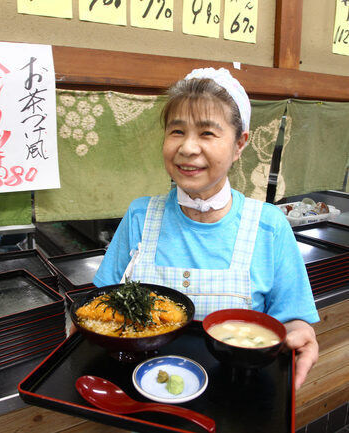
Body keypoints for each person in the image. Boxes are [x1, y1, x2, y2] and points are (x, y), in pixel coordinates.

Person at [93, 67, 319, 390]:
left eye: (207, 133)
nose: (187, 148)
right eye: (177, 131)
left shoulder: (269, 227)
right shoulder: (140, 215)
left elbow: (293, 324)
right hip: (141, 403)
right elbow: (100, 307)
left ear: (240, 144)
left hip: (236, 404)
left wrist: (304, 334)